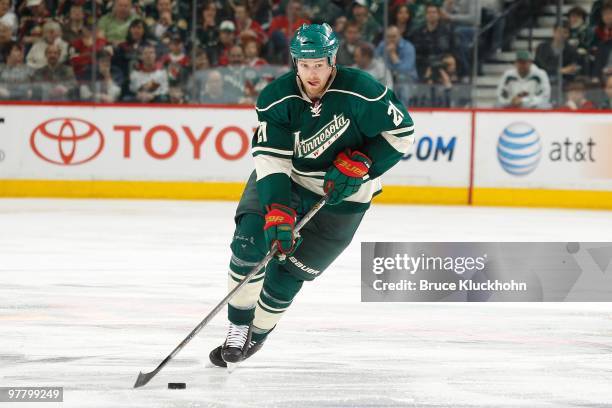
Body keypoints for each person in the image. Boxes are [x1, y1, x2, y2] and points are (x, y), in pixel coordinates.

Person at [208, 23, 415, 367]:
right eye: (304, 64)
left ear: (332, 60)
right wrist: (276, 207)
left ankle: (256, 335)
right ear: (295, 63)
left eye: (319, 63)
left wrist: (364, 163)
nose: (312, 72)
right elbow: (271, 159)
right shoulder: (277, 98)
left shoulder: (362, 90)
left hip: (344, 197)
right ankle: (237, 327)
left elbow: (402, 132)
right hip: (288, 181)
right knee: (248, 244)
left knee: (289, 274)